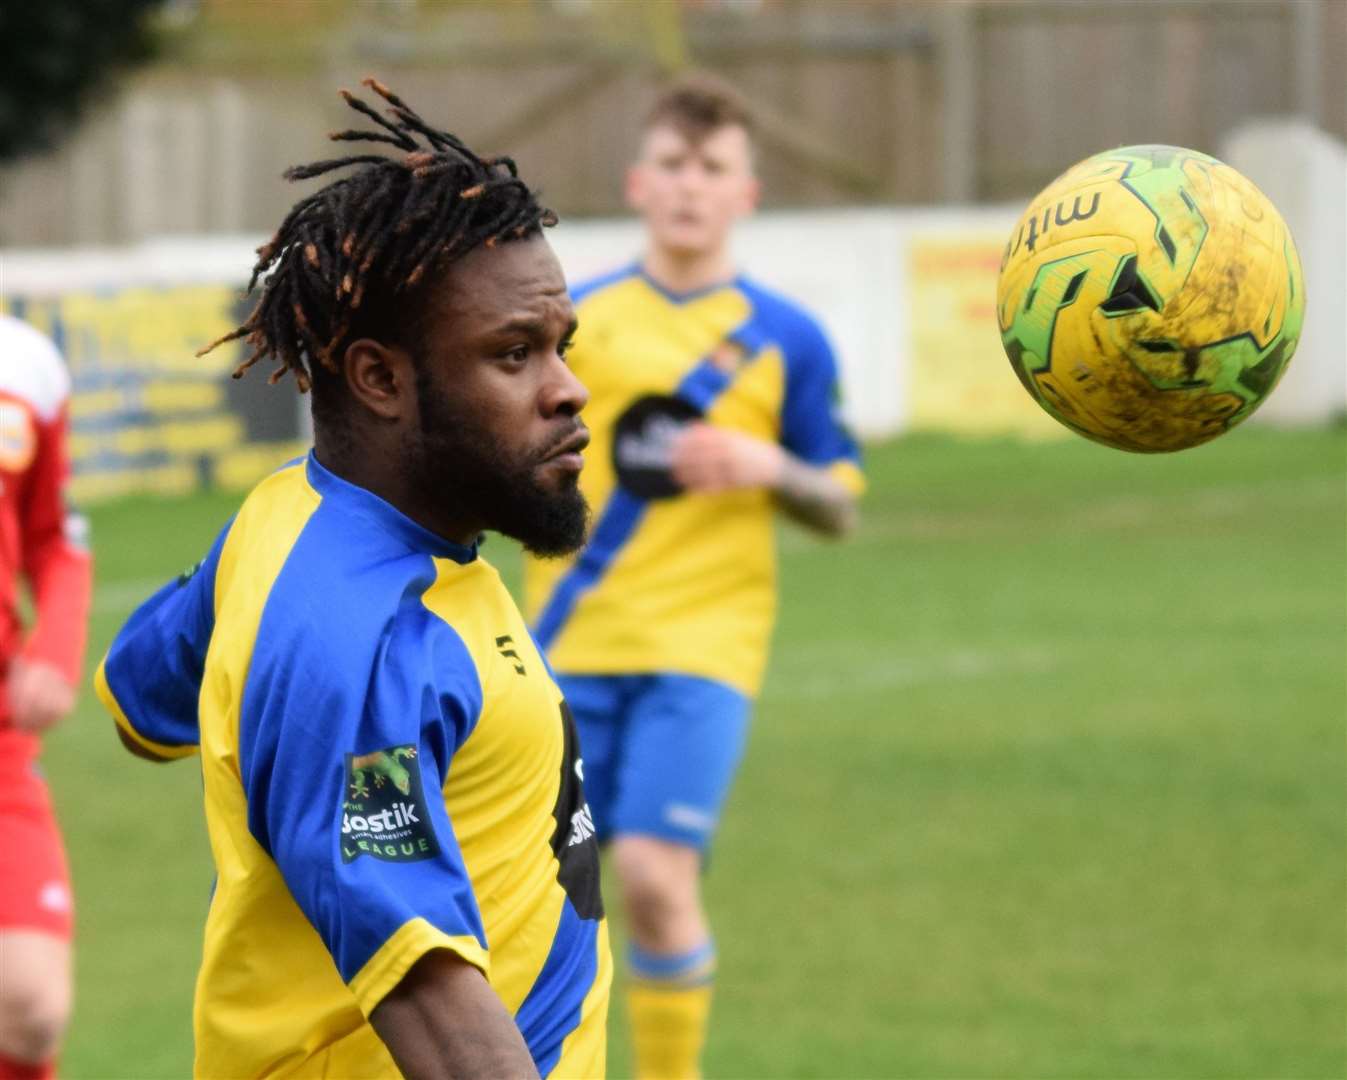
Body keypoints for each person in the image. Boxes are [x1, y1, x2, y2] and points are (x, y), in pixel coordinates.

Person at [94, 80, 608, 1080]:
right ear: (378, 379)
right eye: (513, 355)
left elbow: (139, 698)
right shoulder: (366, 637)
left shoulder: (283, 516)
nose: (567, 388)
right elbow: (428, 996)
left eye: (560, 347)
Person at [522, 73, 864, 1079]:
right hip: (564, 650)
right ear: (637, 180)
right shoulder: (572, 322)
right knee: (545, 902)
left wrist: (772, 467)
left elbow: (839, 502)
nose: (689, 186)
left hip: (703, 653)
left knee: (656, 880)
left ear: (746, 193)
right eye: (672, 163)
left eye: (713, 169)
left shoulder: (786, 339)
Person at [0, 315, 93, 1080]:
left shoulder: (25, 365)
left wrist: (55, 652)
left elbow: (55, 536)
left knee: (32, 1006)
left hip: (1, 737)